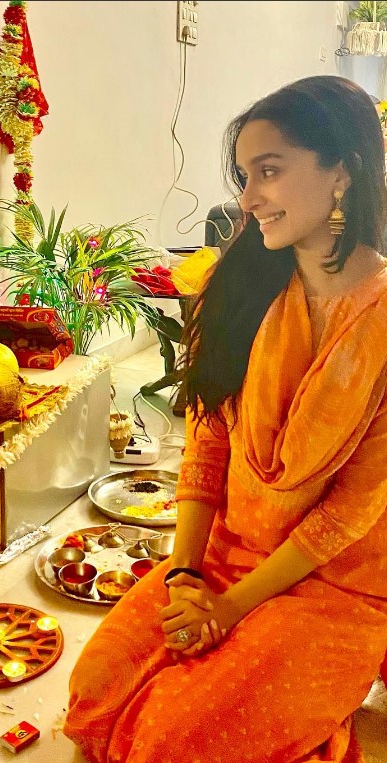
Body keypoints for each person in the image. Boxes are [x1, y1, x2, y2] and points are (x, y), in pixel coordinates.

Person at [64, 75, 387, 763]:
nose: (246, 199)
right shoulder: (241, 284)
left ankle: (323, 712)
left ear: (341, 172)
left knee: (168, 745)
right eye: (244, 176)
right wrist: (184, 575)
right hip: (225, 550)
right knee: (95, 694)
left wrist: (230, 610)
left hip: (333, 582)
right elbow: (208, 442)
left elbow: (348, 514)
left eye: (268, 171)